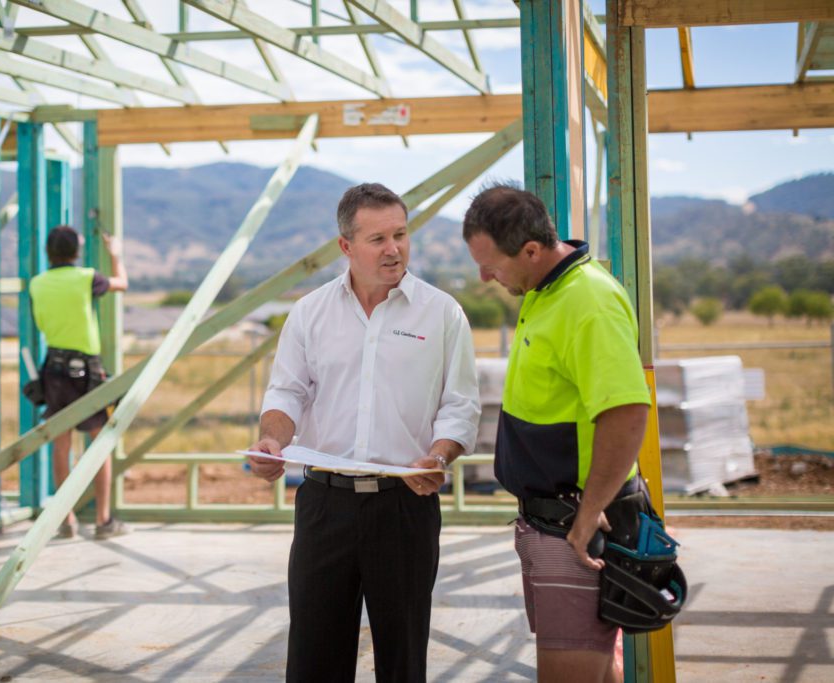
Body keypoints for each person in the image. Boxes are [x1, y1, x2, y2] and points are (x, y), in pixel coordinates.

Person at [247, 183, 481, 682]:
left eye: (401, 234)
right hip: (324, 506)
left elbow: (460, 406)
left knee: (402, 660)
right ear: (346, 246)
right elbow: (286, 393)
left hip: (405, 506)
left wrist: (439, 456)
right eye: (378, 239)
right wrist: (272, 441)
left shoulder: (442, 313)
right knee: (314, 659)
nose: (394, 249)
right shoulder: (310, 312)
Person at [462, 183, 651, 683]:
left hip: (576, 526)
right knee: (594, 669)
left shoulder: (587, 301)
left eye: (491, 266)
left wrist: (588, 515)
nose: (484, 277)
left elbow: (627, 413)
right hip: (552, 520)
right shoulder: (546, 289)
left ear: (531, 250)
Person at [29, 225, 130, 540]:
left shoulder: (37, 283)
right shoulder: (86, 278)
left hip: (53, 369)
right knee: (100, 442)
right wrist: (115, 255)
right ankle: (103, 520)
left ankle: (66, 519)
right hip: (86, 370)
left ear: (49, 252)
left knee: (61, 445)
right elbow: (122, 283)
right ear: (76, 252)